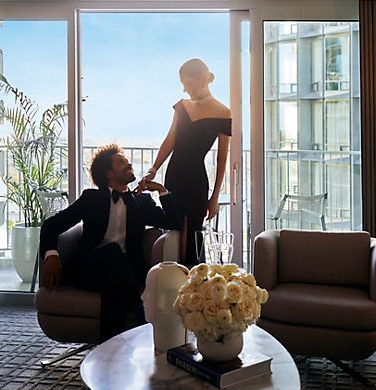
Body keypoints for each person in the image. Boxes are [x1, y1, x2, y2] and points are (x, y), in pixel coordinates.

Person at [39, 143, 182, 343]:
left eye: (127, 161)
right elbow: (51, 225)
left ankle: (108, 349)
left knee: (114, 288)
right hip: (87, 269)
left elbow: (174, 223)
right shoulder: (91, 198)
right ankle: (141, 316)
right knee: (113, 253)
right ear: (109, 173)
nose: (129, 164)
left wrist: (161, 190)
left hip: (121, 274)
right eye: (121, 162)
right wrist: (52, 256)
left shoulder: (141, 202)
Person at [139, 58, 232, 267]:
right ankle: (172, 280)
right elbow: (170, 140)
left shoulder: (224, 113)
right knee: (175, 231)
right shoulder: (182, 107)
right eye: (183, 84)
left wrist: (214, 197)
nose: (185, 89)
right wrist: (153, 169)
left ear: (203, 79)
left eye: (188, 83)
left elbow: (222, 159)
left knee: (192, 239)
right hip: (173, 177)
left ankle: (196, 282)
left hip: (197, 182)